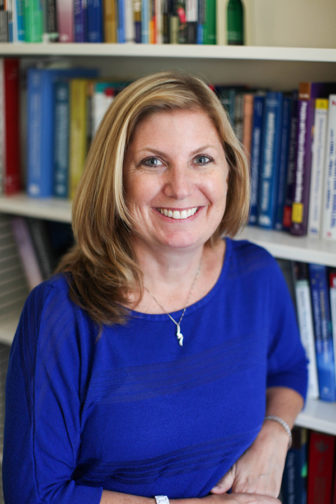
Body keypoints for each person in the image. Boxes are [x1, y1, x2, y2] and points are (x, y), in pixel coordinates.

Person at [3, 71, 307, 504]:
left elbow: (288, 369)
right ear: (117, 179)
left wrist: (274, 434)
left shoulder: (256, 274)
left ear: (228, 171)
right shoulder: (59, 315)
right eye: (152, 161)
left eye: (201, 159)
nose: (180, 188)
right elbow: (36, 495)